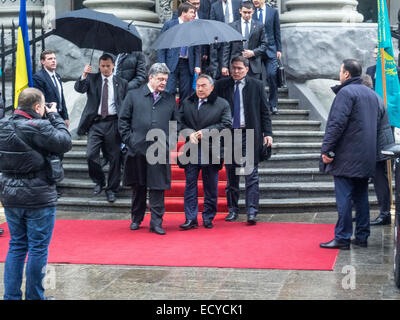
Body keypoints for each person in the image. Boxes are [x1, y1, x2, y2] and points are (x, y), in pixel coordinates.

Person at [0, 87, 72, 300]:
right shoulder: (38, 125)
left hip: (10, 194)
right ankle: (34, 297)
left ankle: (11, 297)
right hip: (38, 196)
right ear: (37, 107)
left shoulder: (2, 125)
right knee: (38, 248)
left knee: (17, 245)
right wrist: (54, 115)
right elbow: (65, 141)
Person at [320, 59, 381, 250]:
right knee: (361, 196)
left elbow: (336, 124)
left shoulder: (346, 92)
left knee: (344, 197)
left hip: (347, 155)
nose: (339, 74)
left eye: (340, 71)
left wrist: (327, 149)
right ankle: (362, 236)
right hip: (366, 154)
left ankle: (342, 237)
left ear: (346, 74)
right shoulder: (371, 94)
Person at [118, 63, 178, 235]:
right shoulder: (133, 95)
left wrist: (170, 142)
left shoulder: (169, 99)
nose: (163, 82)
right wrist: (131, 141)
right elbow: (123, 121)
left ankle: (157, 222)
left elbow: (176, 123)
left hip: (159, 151)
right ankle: (136, 219)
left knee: (158, 187)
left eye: (166, 80)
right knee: (138, 186)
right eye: (160, 79)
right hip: (137, 149)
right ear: (150, 77)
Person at [214, 56, 273, 225]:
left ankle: (251, 211)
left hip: (249, 134)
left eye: (240, 68)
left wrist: (267, 133)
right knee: (232, 174)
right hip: (230, 134)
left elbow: (264, 111)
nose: (236, 71)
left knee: (250, 174)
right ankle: (232, 210)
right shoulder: (221, 85)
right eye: (234, 68)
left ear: (247, 69)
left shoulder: (257, 85)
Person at [177, 74, 232, 230]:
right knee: (190, 186)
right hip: (191, 150)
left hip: (212, 150)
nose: (199, 89)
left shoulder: (222, 104)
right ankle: (191, 218)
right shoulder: (187, 102)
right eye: (198, 85)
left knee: (211, 187)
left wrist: (206, 132)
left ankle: (208, 217)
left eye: (203, 86)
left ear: (212, 87)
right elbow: (178, 122)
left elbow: (226, 124)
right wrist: (189, 133)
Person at [74, 53, 128, 203]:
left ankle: (111, 189)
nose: (105, 69)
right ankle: (99, 181)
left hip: (113, 123)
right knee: (91, 155)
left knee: (115, 158)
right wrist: (84, 74)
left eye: (108, 66)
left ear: (113, 66)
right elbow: (79, 88)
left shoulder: (121, 82)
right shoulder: (92, 79)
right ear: (99, 65)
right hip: (96, 123)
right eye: (102, 66)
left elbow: (126, 103)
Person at [361, 74, 395, 226]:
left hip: (378, 145)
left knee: (380, 180)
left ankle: (385, 213)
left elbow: (371, 125)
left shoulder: (371, 99)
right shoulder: (375, 97)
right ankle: (384, 213)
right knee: (379, 179)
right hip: (380, 143)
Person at [157, 2, 201, 105]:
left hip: (187, 64)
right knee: (169, 90)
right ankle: (171, 119)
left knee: (186, 92)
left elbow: (197, 49)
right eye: (191, 12)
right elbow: (162, 45)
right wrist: (162, 63)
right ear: (183, 13)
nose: (194, 15)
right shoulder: (170, 25)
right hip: (170, 63)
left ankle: (181, 118)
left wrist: (197, 65)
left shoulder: (194, 28)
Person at [221, 1, 267, 80]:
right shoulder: (232, 26)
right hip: (236, 65)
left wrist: (253, 52)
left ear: (253, 11)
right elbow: (227, 47)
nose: (246, 15)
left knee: (253, 90)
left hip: (253, 65)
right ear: (240, 11)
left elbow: (265, 44)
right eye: (244, 12)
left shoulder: (259, 26)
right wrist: (224, 66)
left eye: (249, 12)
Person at [252, 0, 281, 115]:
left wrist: (279, 49)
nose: (255, 0)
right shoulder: (251, 12)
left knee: (271, 75)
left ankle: (273, 104)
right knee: (257, 79)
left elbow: (277, 31)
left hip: (271, 49)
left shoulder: (272, 12)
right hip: (256, 50)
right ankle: (259, 104)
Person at [33, 50, 69, 127]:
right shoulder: (38, 77)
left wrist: (65, 117)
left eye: (54, 58)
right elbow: (41, 100)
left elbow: (61, 98)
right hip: (47, 118)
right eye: (50, 59)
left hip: (59, 116)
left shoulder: (57, 76)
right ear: (43, 61)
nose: (53, 61)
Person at [208, 0, 241, 79]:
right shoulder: (214, 6)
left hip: (235, 40)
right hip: (221, 40)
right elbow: (212, 24)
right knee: (223, 68)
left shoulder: (238, 3)